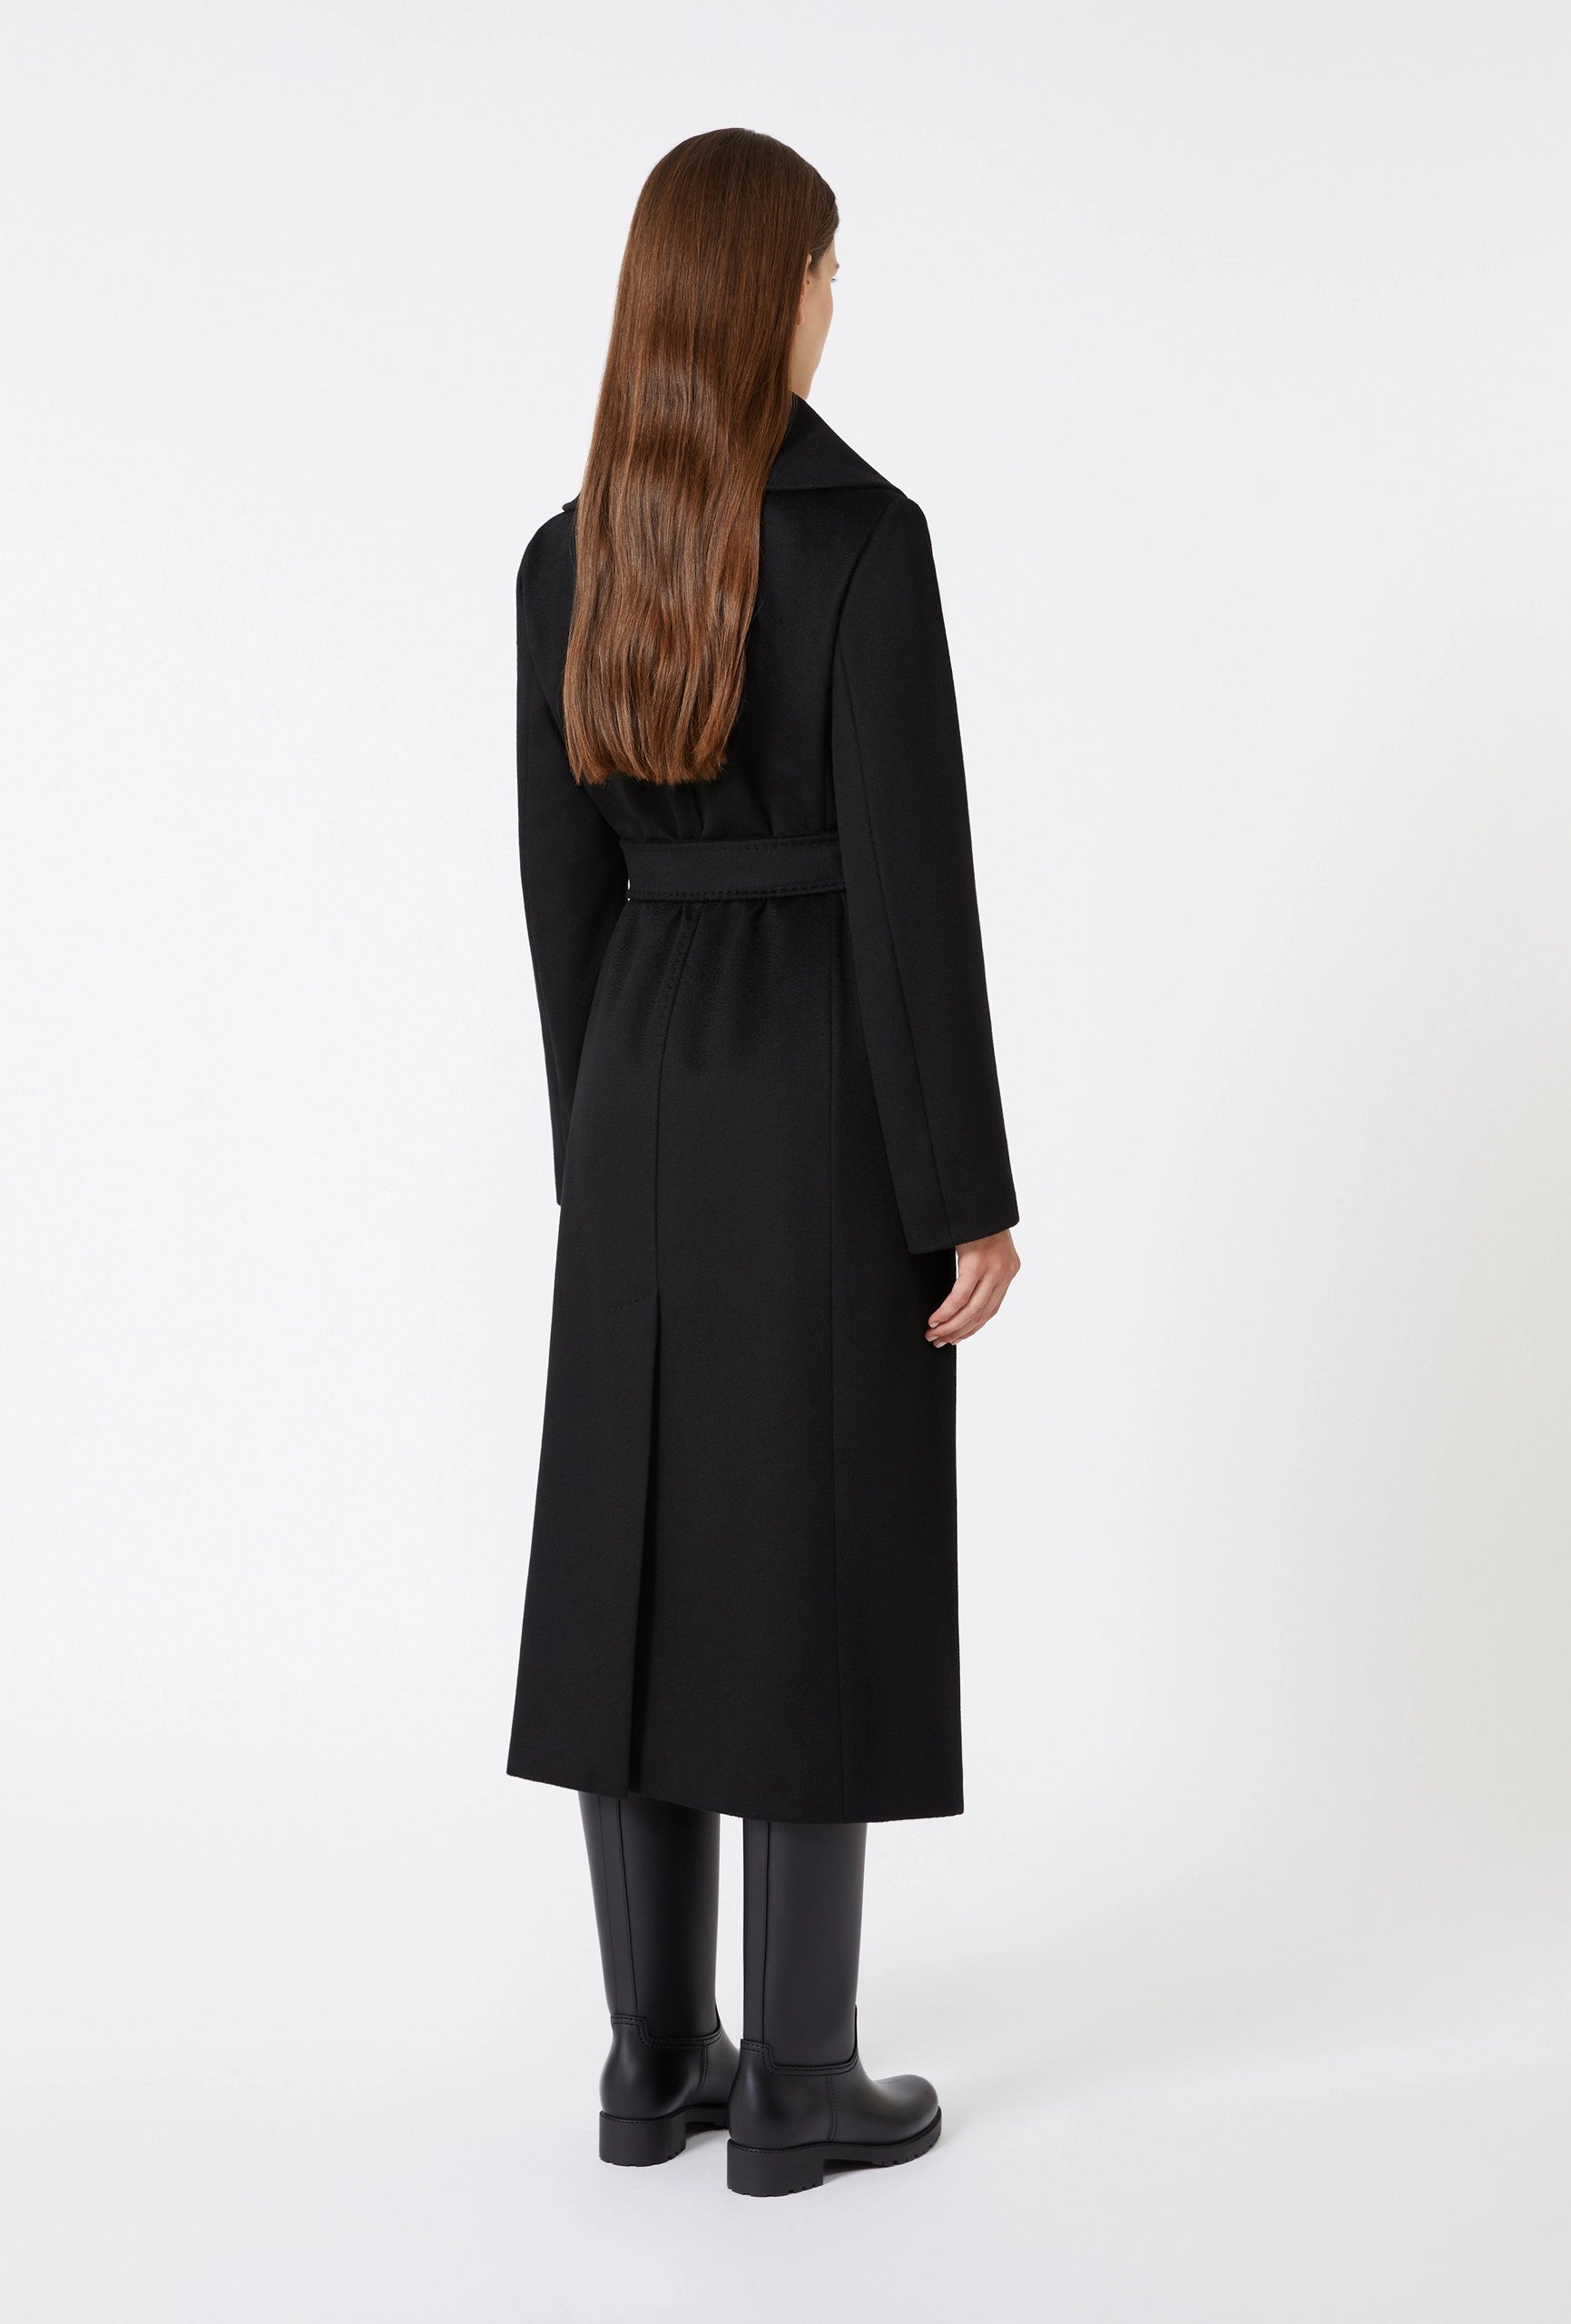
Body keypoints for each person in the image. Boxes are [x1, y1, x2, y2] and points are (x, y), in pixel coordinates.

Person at [507, 127, 1019, 2198]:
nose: (832, 302)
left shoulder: (567, 556)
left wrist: (598, 1146)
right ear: (766, 290)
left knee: (631, 1547)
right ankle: (800, 2078)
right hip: (819, 1089)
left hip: (636, 1082)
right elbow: (912, 895)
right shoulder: (864, 545)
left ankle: (653, 2061)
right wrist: (962, 1184)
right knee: (816, 1543)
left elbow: (559, 899)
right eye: (822, 267)